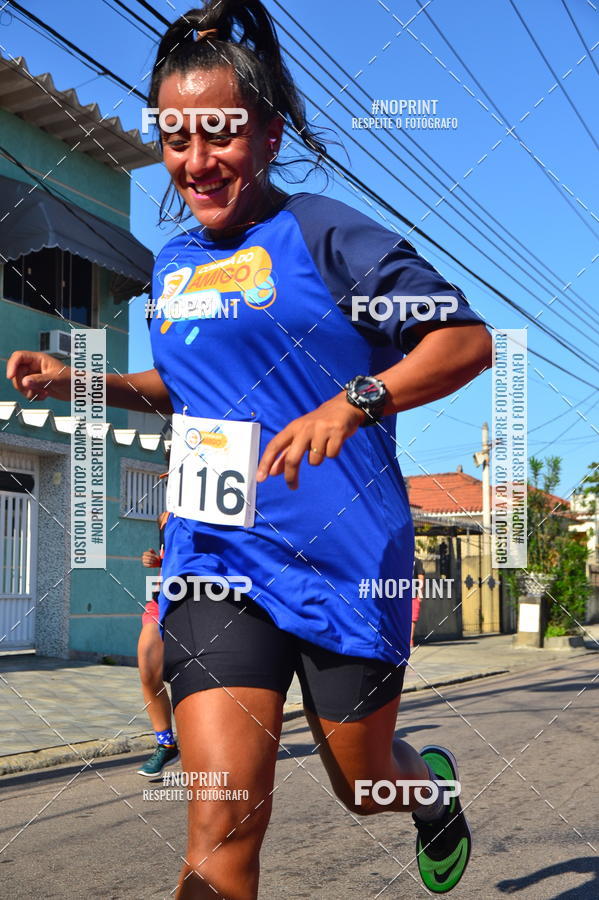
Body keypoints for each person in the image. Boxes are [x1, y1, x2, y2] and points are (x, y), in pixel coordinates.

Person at [7, 2, 493, 896]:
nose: (196, 162)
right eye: (177, 138)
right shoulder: (174, 265)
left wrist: (356, 400)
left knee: (363, 781)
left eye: (220, 135)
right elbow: (183, 389)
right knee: (221, 818)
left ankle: (430, 796)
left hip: (344, 563)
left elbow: (464, 340)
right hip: (216, 561)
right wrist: (84, 382)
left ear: (267, 134)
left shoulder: (327, 234)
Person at [137, 502, 179, 777]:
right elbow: (175, 555)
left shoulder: (219, 511)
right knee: (148, 669)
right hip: (163, 600)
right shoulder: (165, 518)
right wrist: (157, 560)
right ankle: (166, 744)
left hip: (207, 599)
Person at [411, 556, 426, 648]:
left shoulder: (416, 561)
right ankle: (409, 640)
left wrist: (420, 593)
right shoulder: (416, 560)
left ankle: (409, 640)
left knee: (412, 618)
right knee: (412, 618)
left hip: (404, 592)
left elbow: (421, 577)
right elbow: (421, 578)